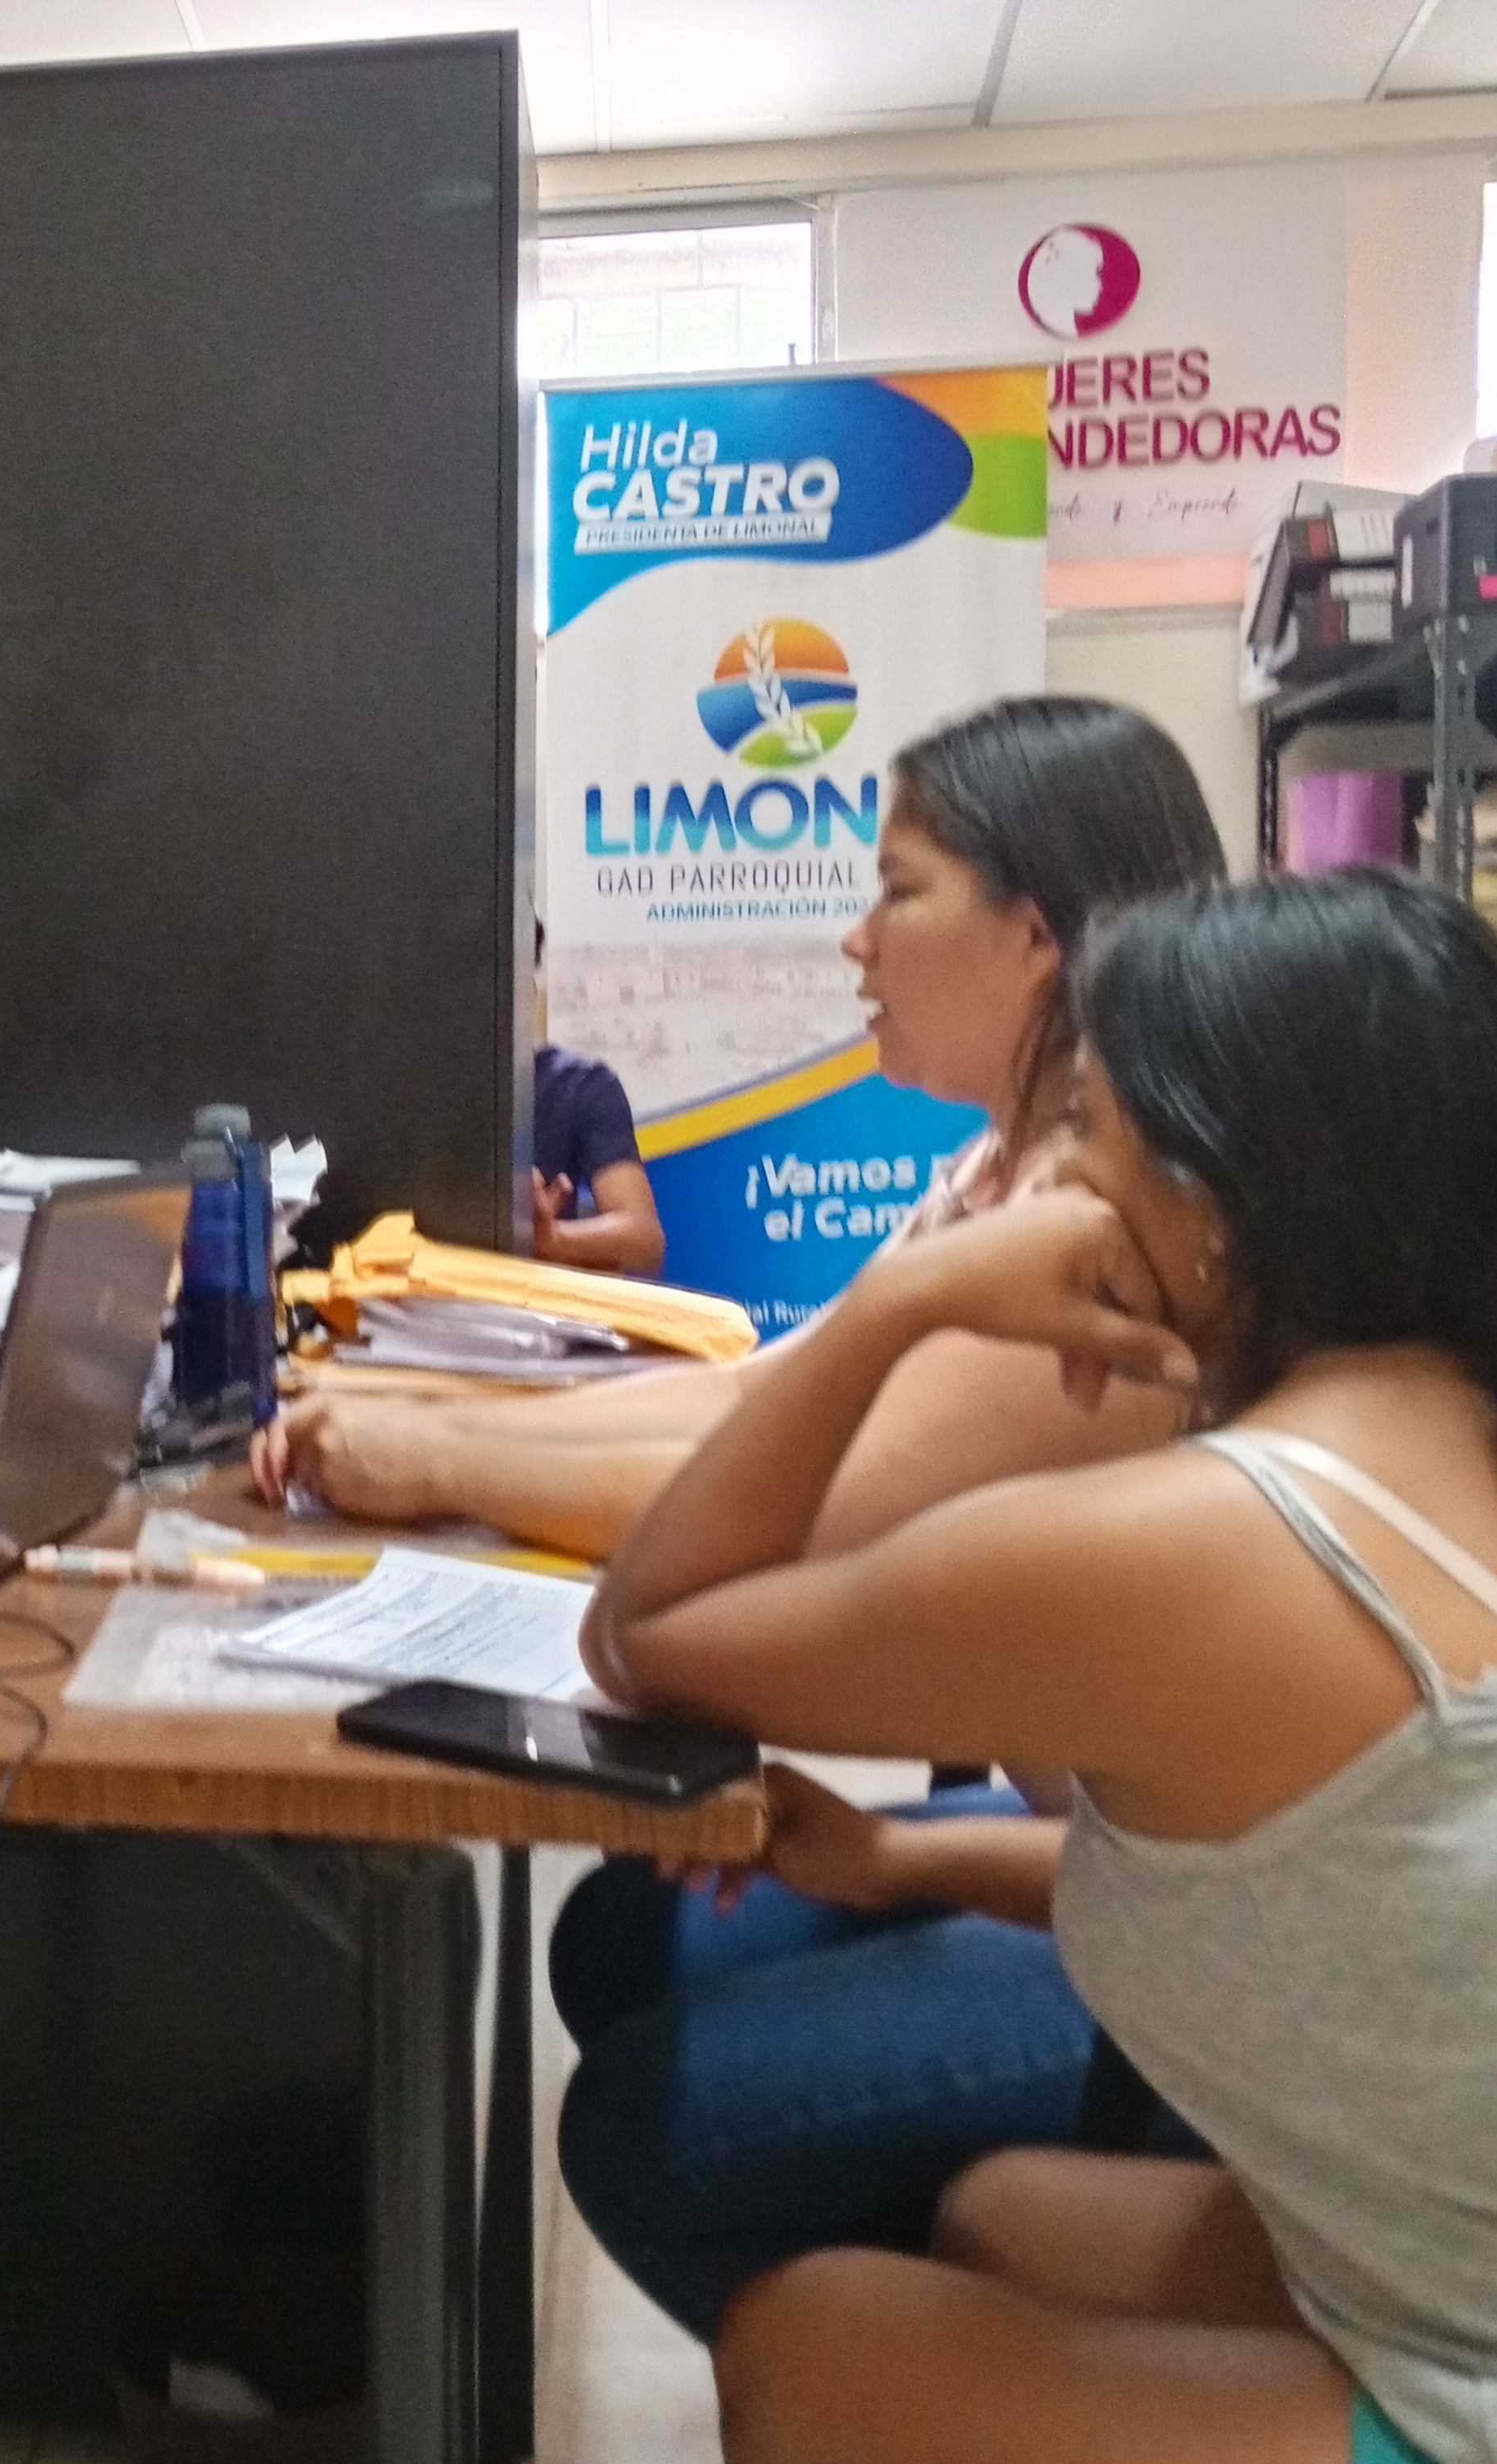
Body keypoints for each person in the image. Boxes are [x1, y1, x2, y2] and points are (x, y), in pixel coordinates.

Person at [587, 868, 1497, 2464]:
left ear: (1212, 1206)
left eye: (1084, 1127)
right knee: (1003, 2218)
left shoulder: (1210, 1536)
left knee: (807, 2352)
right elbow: (1369, 1886)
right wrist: (895, 1857)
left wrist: (901, 1299)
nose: (1048, 1176)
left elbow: (646, 1635)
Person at [282, 697, 1227, 2343]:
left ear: (1036, 936)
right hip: (1115, 1861)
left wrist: (433, 1464)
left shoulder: (1096, 1246)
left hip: (1196, 1946)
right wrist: (432, 1428)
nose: (855, 940)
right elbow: (755, 1405)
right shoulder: (998, 1174)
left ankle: (957, 2359)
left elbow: (779, 1524)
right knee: (623, 1937)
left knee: (652, 2119)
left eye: (897, 889)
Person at [530, 925, 667, 1277]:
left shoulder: (581, 1083)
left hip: (526, 1303)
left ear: (529, 993)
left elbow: (643, 1240)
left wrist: (553, 1238)